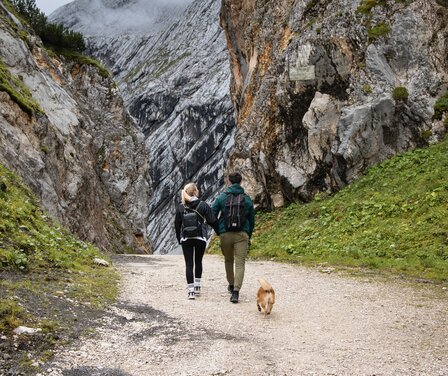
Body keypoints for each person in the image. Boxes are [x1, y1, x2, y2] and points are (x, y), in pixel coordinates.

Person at [212, 172, 255, 303]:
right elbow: (251, 220)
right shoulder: (246, 199)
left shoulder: (221, 197)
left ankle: (231, 285)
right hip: (242, 234)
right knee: (240, 263)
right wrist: (249, 234)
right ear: (241, 182)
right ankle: (236, 292)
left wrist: (218, 230)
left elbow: (212, 215)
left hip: (225, 234)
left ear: (229, 182)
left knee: (228, 260)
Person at [175, 182, 218, 300]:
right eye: (197, 189)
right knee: (198, 261)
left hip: (186, 238)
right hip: (200, 237)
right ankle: (198, 285)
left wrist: (180, 239)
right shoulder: (203, 205)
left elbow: (177, 225)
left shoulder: (180, 206)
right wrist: (218, 231)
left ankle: (191, 291)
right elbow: (212, 220)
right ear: (194, 192)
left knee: (189, 264)